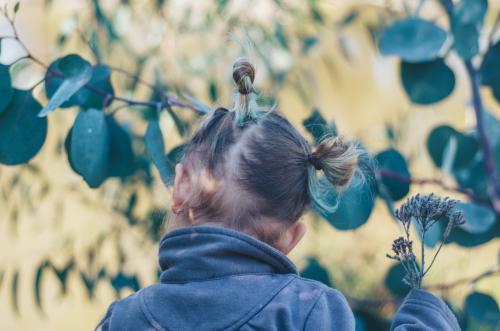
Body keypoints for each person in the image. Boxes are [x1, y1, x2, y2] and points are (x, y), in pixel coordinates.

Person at [95, 59, 460, 331]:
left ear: (179, 185)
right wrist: (427, 316)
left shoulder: (122, 320)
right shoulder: (309, 312)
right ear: (291, 237)